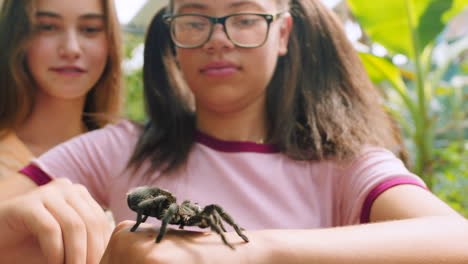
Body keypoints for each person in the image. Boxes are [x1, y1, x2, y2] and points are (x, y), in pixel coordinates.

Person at [1, 0, 467, 263]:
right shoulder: (122, 146)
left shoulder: (344, 162)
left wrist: (251, 253)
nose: (218, 38)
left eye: (244, 18)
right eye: (196, 20)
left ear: (282, 34)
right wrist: (21, 209)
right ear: (173, 36)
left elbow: (456, 239)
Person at [0, 0, 123, 180]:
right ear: (15, 35)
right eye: (48, 27)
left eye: (90, 29)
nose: (71, 49)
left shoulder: (128, 159)